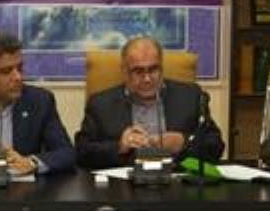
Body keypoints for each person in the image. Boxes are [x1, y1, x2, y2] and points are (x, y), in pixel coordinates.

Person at [75, 36, 224, 169]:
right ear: (124, 72)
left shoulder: (190, 96)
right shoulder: (101, 104)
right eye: (138, 71)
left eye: (153, 69)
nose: (147, 79)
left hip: (176, 181)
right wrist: (119, 146)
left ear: (162, 68)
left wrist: (183, 142)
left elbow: (216, 146)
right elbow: (82, 153)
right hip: (124, 185)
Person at [0, 33, 76, 174]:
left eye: (20, 68)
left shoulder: (40, 101)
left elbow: (67, 153)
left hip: (23, 185)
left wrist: (31, 162)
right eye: (6, 71)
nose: (18, 77)